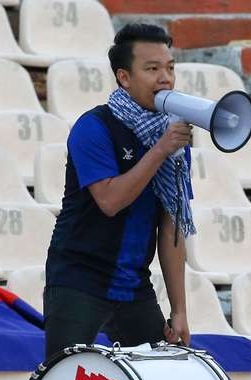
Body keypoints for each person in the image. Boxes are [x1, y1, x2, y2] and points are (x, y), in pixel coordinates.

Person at [42, 23, 195, 360]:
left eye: (170, 68)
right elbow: (110, 201)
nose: (165, 79)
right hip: (79, 279)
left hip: (134, 286)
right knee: (61, 379)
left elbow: (171, 227)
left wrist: (179, 309)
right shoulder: (93, 127)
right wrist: (159, 150)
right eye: (152, 69)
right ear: (124, 78)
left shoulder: (173, 139)